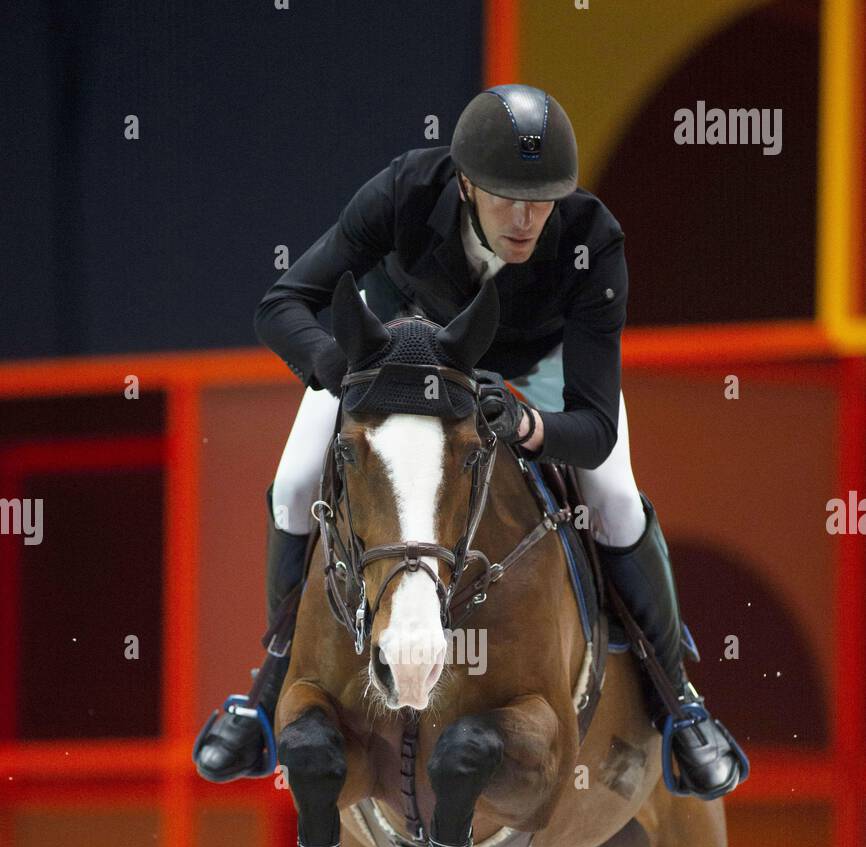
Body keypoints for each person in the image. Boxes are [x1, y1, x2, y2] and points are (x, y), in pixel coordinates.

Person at [194, 84, 747, 801]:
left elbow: (596, 422)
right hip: (397, 361)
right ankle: (268, 685)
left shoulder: (591, 240)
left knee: (613, 498)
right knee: (299, 481)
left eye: (542, 199)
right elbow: (283, 305)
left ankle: (681, 702)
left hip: (530, 375)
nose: (525, 220)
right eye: (505, 197)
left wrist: (527, 427)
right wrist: (349, 372)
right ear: (463, 185)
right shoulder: (401, 193)